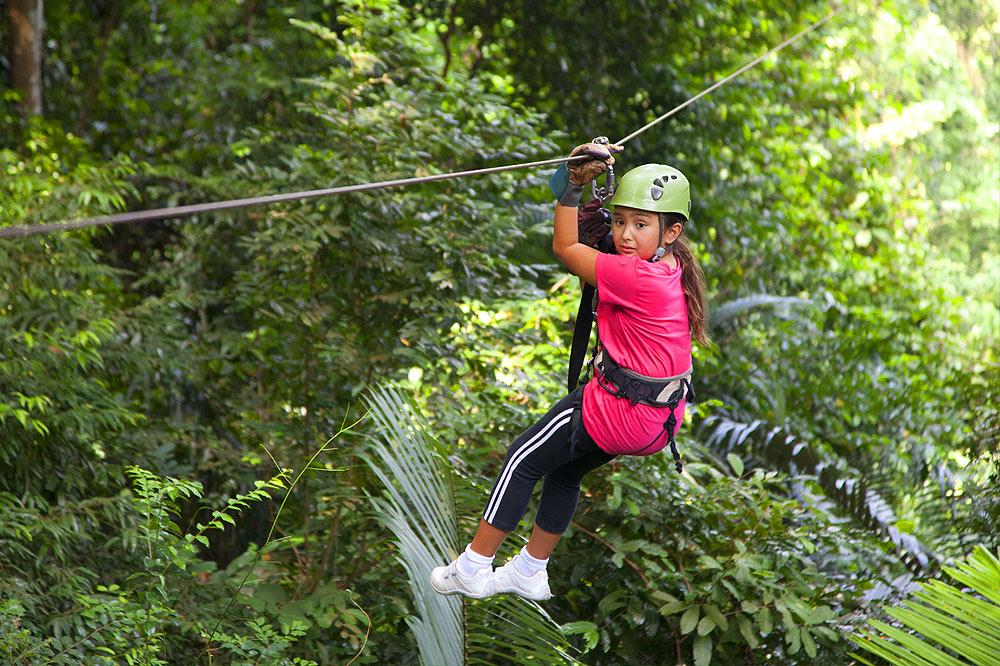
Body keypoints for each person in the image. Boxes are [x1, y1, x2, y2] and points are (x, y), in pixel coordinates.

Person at [430, 141, 709, 601]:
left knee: (522, 459)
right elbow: (600, 254)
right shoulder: (671, 268)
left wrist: (571, 189)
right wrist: (585, 198)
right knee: (563, 473)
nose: (625, 235)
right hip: (655, 423)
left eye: (641, 225)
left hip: (616, 410)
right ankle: (531, 569)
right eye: (620, 221)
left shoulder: (635, 277)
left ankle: (474, 566)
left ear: (671, 232)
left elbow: (565, 247)